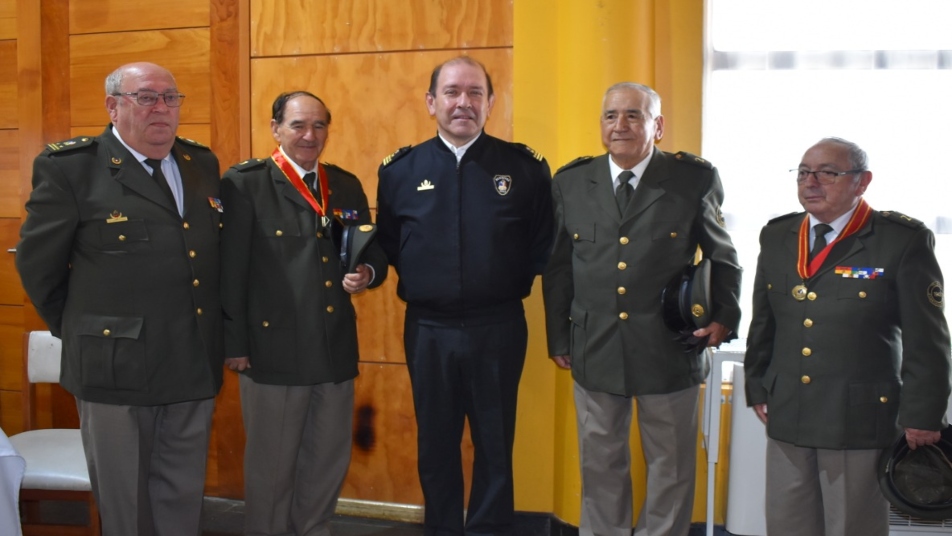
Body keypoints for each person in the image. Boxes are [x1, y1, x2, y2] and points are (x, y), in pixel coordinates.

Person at [16, 62, 223, 536]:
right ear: (113, 106)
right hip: (114, 367)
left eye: (171, 98)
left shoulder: (200, 164)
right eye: (146, 97)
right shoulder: (73, 167)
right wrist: (81, 329)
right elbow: (38, 264)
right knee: (125, 505)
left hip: (191, 358)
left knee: (181, 496)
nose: (162, 109)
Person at [542, 82, 742, 536]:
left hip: (670, 347)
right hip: (595, 344)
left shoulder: (692, 179)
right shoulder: (572, 181)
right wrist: (559, 336)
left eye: (634, 115)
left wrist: (723, 317)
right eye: (611, 116)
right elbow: (558, 268)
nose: (621, 126)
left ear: (658, 125)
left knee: (671, 468)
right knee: (600, 464)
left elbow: (722, 255)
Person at [376, 56, 554, 535]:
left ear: (491, 103)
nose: (463, 103)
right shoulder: (400, 171)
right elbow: (391, 243)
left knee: (496, 444)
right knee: (435, 444)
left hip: (497, 327)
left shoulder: (524, 168)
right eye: (452, 92)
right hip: (428, 329)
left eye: (475, 93)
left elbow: (543, 244)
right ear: (432, 101)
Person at [744, 137, 952, 536]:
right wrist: (757, 384)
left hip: (858, 415)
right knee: (787, 523)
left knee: (852, 526)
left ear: (862, 182)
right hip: (789, 407)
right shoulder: (778, 235)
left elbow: (928, 338)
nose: (811, 182)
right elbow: (764, 319)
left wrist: (923, 415)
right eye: (804, 172)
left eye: (828, 173)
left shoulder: (900, 240)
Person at [220, 91, 388, 536]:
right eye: (298, 125)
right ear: (276, 129)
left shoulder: (345, 183)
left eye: (319, 126)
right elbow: (229, 269)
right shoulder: (245, 183)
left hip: (333, 348)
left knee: (326, 462)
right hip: (271, 352)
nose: (309, 136)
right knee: (272, 469)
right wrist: (234, 345)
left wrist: (367, 271)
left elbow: (371, 248)